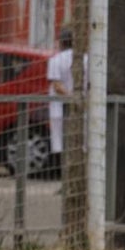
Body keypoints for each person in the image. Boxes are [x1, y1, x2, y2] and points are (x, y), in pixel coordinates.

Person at [47, 27, 78, 179]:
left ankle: (66, 178)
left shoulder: (55, 60)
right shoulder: (84, 58)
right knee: (77, 143)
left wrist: (69, 96)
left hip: (59, 108)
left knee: (61, 144)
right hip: (79, 109)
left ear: (60, 42)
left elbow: (57, 85)